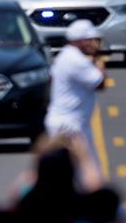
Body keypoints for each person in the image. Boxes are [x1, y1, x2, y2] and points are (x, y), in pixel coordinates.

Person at [45, 20, 106, 162]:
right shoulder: (76, 60)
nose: (94, 43)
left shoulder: (66, 56)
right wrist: (98, 58)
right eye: (90, 40)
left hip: (69, 124)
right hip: (70, 126)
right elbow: (100, 83)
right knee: (86, 171)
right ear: (80, 41)